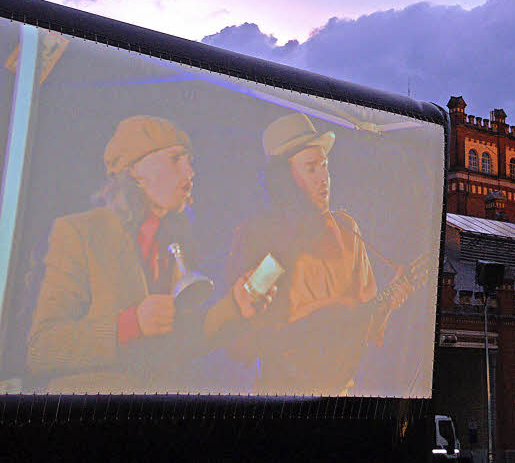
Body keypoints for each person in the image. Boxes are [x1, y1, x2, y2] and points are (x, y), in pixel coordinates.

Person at [26, 115, 263, 393]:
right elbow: (41, 349)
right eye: (175, 159)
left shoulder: (174, 241)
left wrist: (235, 305)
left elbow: (182, 341)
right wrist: (131, 324)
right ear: (136, 172)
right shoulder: (80, 233)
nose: (190, 171)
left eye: (189, 161)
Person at [205, 112, 412, 396]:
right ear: (283, 179)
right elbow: (238, 344)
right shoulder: (258, 234)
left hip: (340, 400)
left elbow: (366, 327)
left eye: (325, 166)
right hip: (279, 402)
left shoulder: (346, 229)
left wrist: (388, 303)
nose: (324, 178)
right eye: (311, 168)